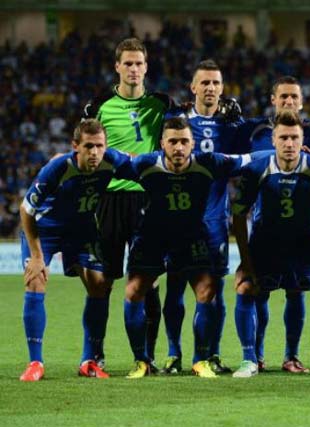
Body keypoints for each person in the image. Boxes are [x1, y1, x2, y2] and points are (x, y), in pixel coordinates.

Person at [121, 117, 253, 379]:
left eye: (184, 142)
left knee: (207, 290)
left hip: (191, 235)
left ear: (193, 143)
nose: (179, 147)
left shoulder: (208, 163)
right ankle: (141, 361)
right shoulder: (146, 164)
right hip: (153, 236)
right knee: (134, 291)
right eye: (173, 142)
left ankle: (199, 360)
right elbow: (111, 163)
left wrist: (288, 152)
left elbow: (249, 159)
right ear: (162, 144)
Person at [234, 76, 310, 373]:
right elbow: (238, 215)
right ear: (273, 140)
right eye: (283, 138)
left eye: (294, 138)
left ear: (303, 140)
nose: (290, 143)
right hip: (265, 246)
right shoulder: (256, 168)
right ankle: (251, 359)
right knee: (247, 287)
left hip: (305, 248)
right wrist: (245, 260)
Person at [83, 38, 174, 368]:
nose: (134, 69)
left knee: (149, 281)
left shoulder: (161, 104)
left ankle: (146, 357)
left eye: (139, 63)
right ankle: (94, 355)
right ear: (117, 67)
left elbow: (182, 134)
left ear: (146, 67)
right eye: (128, 63)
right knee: (102, 282)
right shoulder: (100, 106)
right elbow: (86, 147)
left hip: (147, 200)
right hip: (108, 199)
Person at [19, 119, 132, 381]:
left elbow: (139, 164)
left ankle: (88, 361)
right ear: (75, 146)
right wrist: (37, 256)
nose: (94, 152)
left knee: (99, 285)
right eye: (89, 146)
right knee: (35, 280)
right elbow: (26, 210)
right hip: (46, 230)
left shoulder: (112, 161)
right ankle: (35, 362)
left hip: (81, 231)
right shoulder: (58, 167)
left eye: (100, 146)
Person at [161, 59, 243, 375]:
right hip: (177, 219)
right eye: (205, 82)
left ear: (222, 89)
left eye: (216, 83)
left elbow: (265, 135)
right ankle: (173, 354)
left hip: (215, 221)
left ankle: (211, 354)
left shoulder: (232, 125)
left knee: (214, 291)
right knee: (175, 286)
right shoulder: (176, 122)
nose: (210, 88)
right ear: (193, 87)